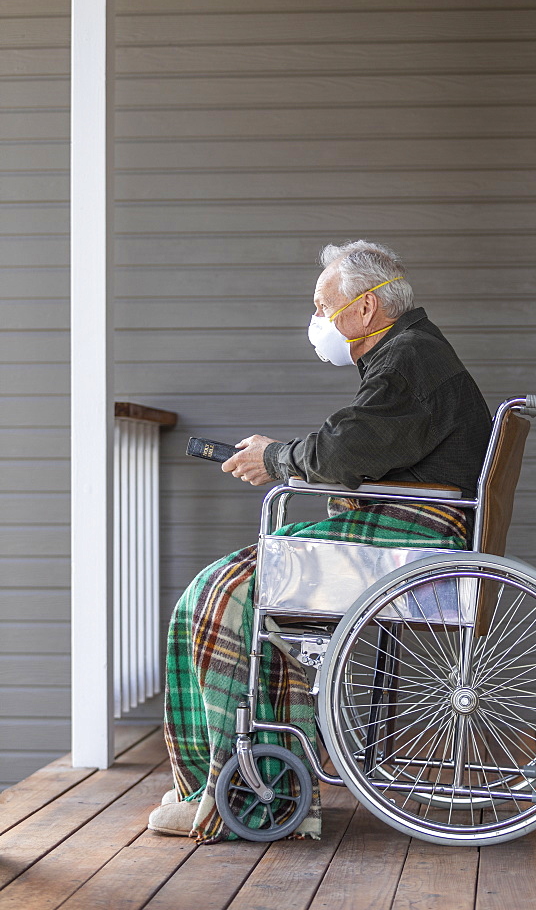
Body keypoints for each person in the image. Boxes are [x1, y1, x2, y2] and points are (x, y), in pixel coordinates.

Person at [147, 240, 492, 841]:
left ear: (365, 310)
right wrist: (281, 458)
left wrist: (276, 460)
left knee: (218, 593)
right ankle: (248, 782)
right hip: (407, 523)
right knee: (235, 585)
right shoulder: (414, 353)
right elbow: (360, 444)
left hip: (410, 534)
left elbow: (343, 449)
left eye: (321, 305)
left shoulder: (409, 358)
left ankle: (234, 792)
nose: (316, 321)